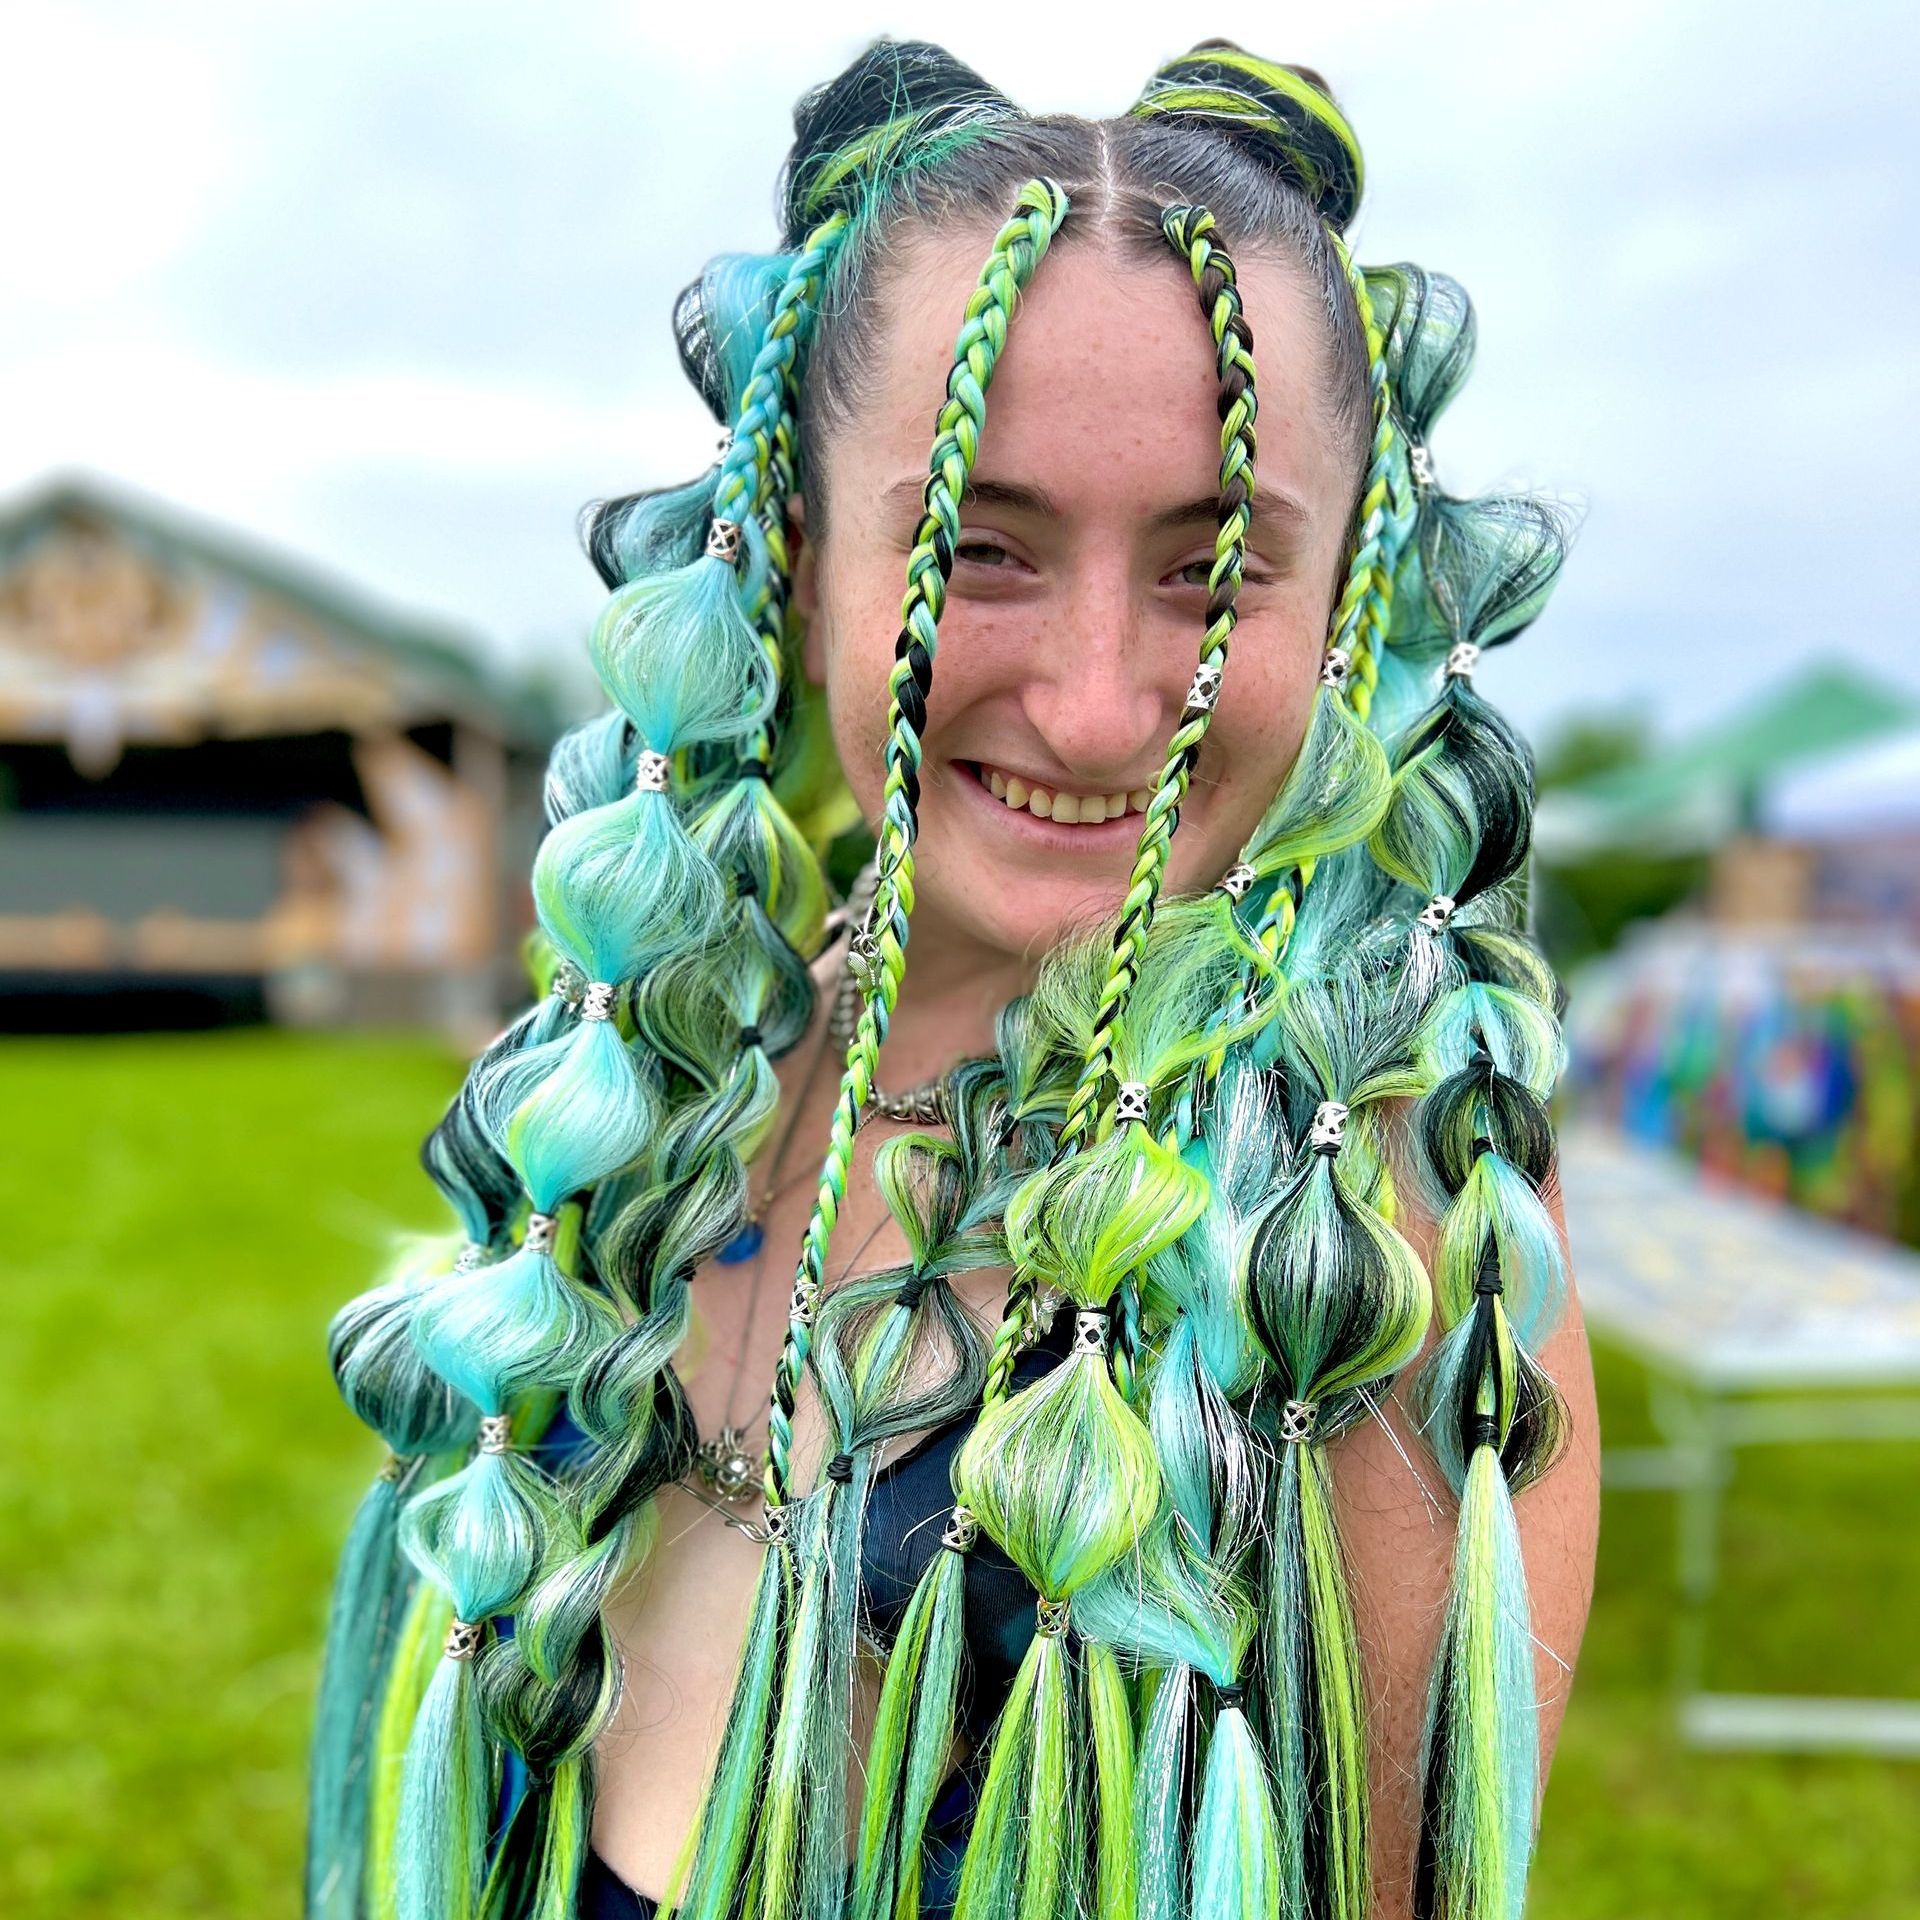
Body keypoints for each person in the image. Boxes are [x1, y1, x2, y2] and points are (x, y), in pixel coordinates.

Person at [307, 37, 1601, 1920]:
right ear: (797, 547)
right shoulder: (641, 1104)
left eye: (1213, 569)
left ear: (1348, 606)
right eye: (977, 547)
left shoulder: (1383, 1239)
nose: (1093, 703)